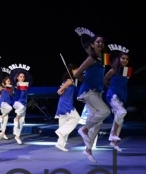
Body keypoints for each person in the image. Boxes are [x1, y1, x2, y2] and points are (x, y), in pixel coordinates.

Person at [73, 27, 111, 164]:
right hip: (88, 91)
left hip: (97, 91)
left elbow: (100, 74)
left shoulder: (104, 59)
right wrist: (87, 82)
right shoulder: (91, 58)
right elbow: (76, 74)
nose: (100, 44)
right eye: (97, 42)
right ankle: (84, 129)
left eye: (102, 42)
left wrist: (104, 82)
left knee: (98, 121)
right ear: (92, 45)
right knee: (105, 111)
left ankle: (88, 149)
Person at [104, 44, 132, 152]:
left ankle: (114, 142)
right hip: (113, 95)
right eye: (123, 58)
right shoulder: (113, 70)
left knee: (120, 118)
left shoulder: (127, 71)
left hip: (122, 96)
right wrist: (110, 89)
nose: (125, 60)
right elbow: (105, 80)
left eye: (126, 59)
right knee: (121, 112)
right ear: (118, 59)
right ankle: (113, 135)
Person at [54, 63, 80, 151]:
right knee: (76, 118)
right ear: (72, 70)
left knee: (64, 124)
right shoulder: (70, 81)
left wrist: (60, 91)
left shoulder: (68, 81)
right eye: (76, 69)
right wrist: (60, 91)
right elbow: (59, 91)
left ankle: (60, 144)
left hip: (62, 103)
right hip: (66, 104)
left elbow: (59, 91)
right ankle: (61, 132)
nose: (78, 71)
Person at [9, 64, 32, 145]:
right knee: (19, 113)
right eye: (20, 76)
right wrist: (17, 87)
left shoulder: (26, 86)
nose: (22, 78)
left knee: (21, 121)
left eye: (23, 77)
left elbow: (25, 95)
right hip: (16, 103)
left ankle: (17, 136)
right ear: (17, 77)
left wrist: (25, 87)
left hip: (23, 104)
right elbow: (14, 93)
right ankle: (16, 117)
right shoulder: (15, 86)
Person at [0, 70, 13, 140]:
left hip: (8, 102)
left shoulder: (10, 88)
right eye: (8, 81)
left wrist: (11, 91)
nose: (9, 82)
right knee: (10, 108)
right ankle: (1, 116)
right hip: (2, 103)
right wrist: (1, 97)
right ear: (5, 81)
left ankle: (3, 133)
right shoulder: (2, 87)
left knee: (5, 119)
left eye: (9, 81)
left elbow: (11, 96)